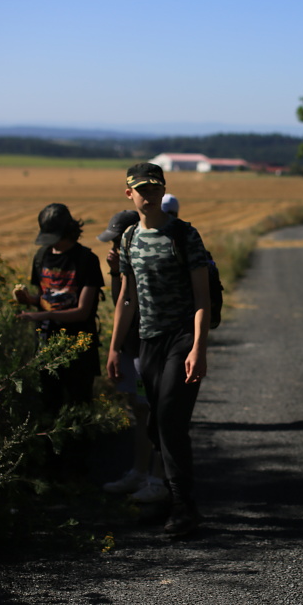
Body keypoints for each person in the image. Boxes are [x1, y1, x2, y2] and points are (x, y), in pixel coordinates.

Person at [107, 163, 212, 537]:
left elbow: (202, 299)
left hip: (181, 338)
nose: (148, 195)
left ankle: (184, 508)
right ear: (129, 194)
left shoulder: (184, 236)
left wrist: (199, 347)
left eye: (155, 188)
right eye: (141, 189)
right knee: (155, 422)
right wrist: (115, 347)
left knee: (169, 417)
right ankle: (171, 501)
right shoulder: (129, 238)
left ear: (163, 191)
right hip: (148, 341)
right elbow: (126, 298)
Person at [97, 210, 169, 504]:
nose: (113, 248)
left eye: (117, 242)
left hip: (151, 348)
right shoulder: (126, 262)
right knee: (140, 411)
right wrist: (116, 272)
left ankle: (158, 480)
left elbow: (135, 303)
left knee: (157, 413)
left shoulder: (149, 260)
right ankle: (140, 473)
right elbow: (120, 304)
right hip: (132, 348)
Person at [15, 203, 104, 416]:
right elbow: (45, 300)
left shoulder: (86, 260)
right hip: (46, 347)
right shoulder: (41, 257)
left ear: (67, 232)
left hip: (79, 350)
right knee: (49, 408)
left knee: (79, 410)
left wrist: (42, 314)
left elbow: (83, 311)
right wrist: (28, 299)